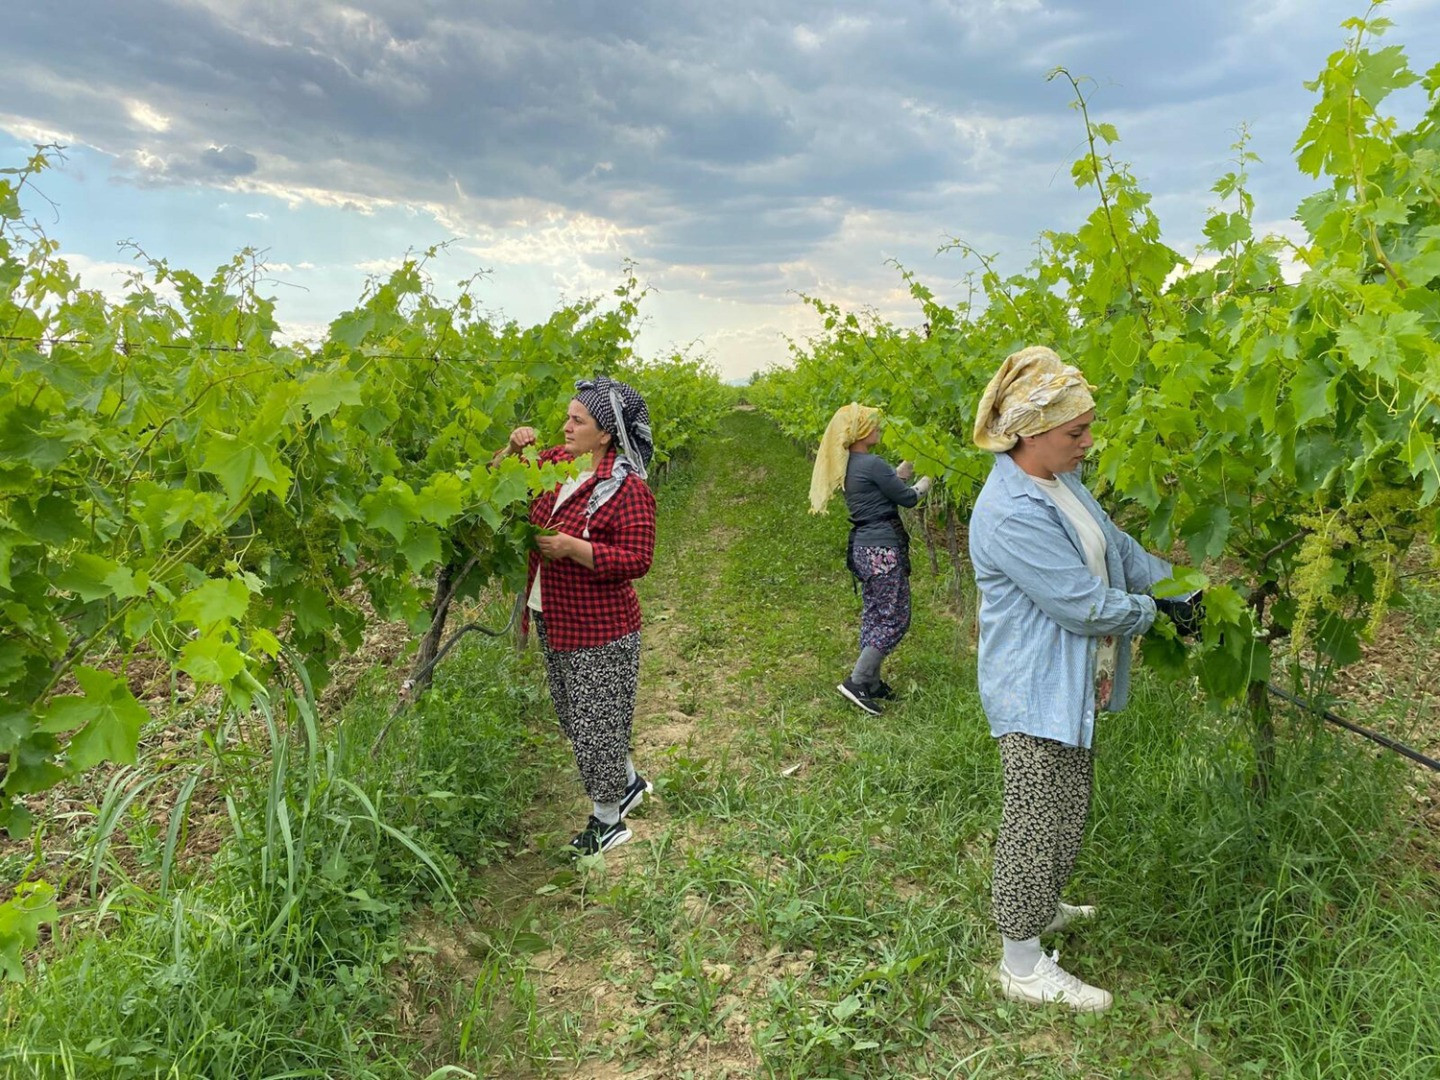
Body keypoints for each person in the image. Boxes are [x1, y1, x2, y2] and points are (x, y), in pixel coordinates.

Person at [968, 346, 1199, 1012]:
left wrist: (1178, 585)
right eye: (1078, 432)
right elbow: (1081, 602)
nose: (1089, 443)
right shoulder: (1009, 509)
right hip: (1034, 686)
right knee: (1034, 820)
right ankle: (1019, 963)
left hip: (1070, 683)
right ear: (1033, 431)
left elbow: (1117, 550)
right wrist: (1156, 611)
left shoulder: (1061, 483)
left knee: (1067, 808)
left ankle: (1040, 909)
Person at [501, 375, 658, 855]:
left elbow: (638, 559)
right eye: (567, 417)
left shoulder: (625, 487)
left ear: (605, 432)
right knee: (578, 719)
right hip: (554, 616)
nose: (565, 427)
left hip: (600, 628)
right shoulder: (554, 464)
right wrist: (512, 448)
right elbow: (500, 486)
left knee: (595, 727)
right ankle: (626, 781)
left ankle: (608, 820)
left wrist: (576, 548)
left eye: (578, 420)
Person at [809, 403, 932, 715]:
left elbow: (884, 485)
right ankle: (859, 679)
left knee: (875, 610)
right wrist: (926, 481)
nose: (878, 428)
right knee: (894, 616)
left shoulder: (850, 463)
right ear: (861, 431)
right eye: (874, 425)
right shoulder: (873, 463)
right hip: (883, 549)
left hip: (864, 549)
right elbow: (905, 497)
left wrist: (902, 471)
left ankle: (873, 682)